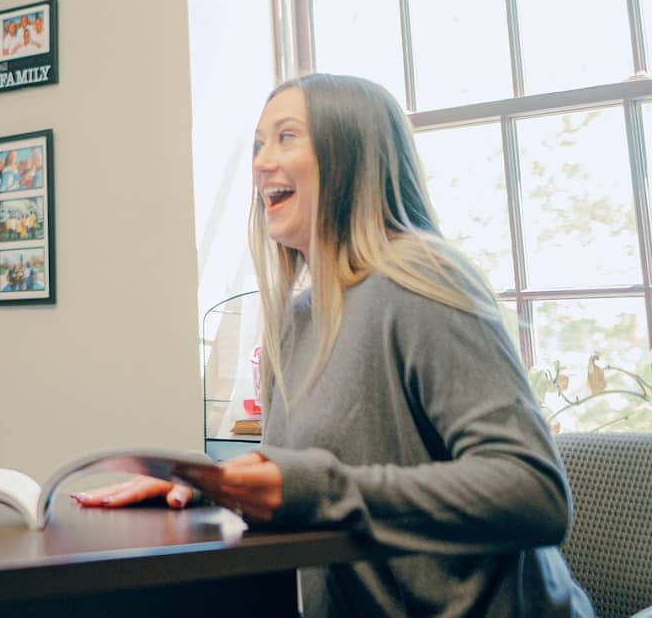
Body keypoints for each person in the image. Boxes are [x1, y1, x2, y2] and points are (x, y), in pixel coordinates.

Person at [74, 74, 593, 616]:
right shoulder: (297, 319)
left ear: (350, 155)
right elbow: (318, 480)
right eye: (258, 144)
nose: (261, 162)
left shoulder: (422, 282)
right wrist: (210, 486)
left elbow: (534, 493)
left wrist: (312, 488)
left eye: (286, 137)